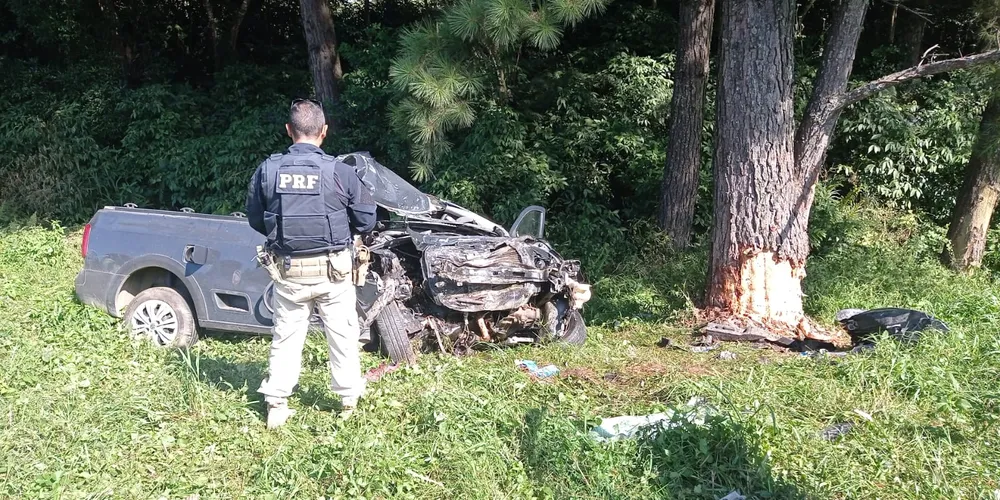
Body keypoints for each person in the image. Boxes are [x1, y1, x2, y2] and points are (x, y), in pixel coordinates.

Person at [245, 98, 377, 429]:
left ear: (289, 130)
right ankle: (348, 401)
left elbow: (256, 218)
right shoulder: (341, 172)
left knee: (286, 337)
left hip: (289, 272)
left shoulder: (268, 170)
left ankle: (276, 404)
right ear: (324, 131)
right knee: (343, 335)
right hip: (334, 272)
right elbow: (366, 219)